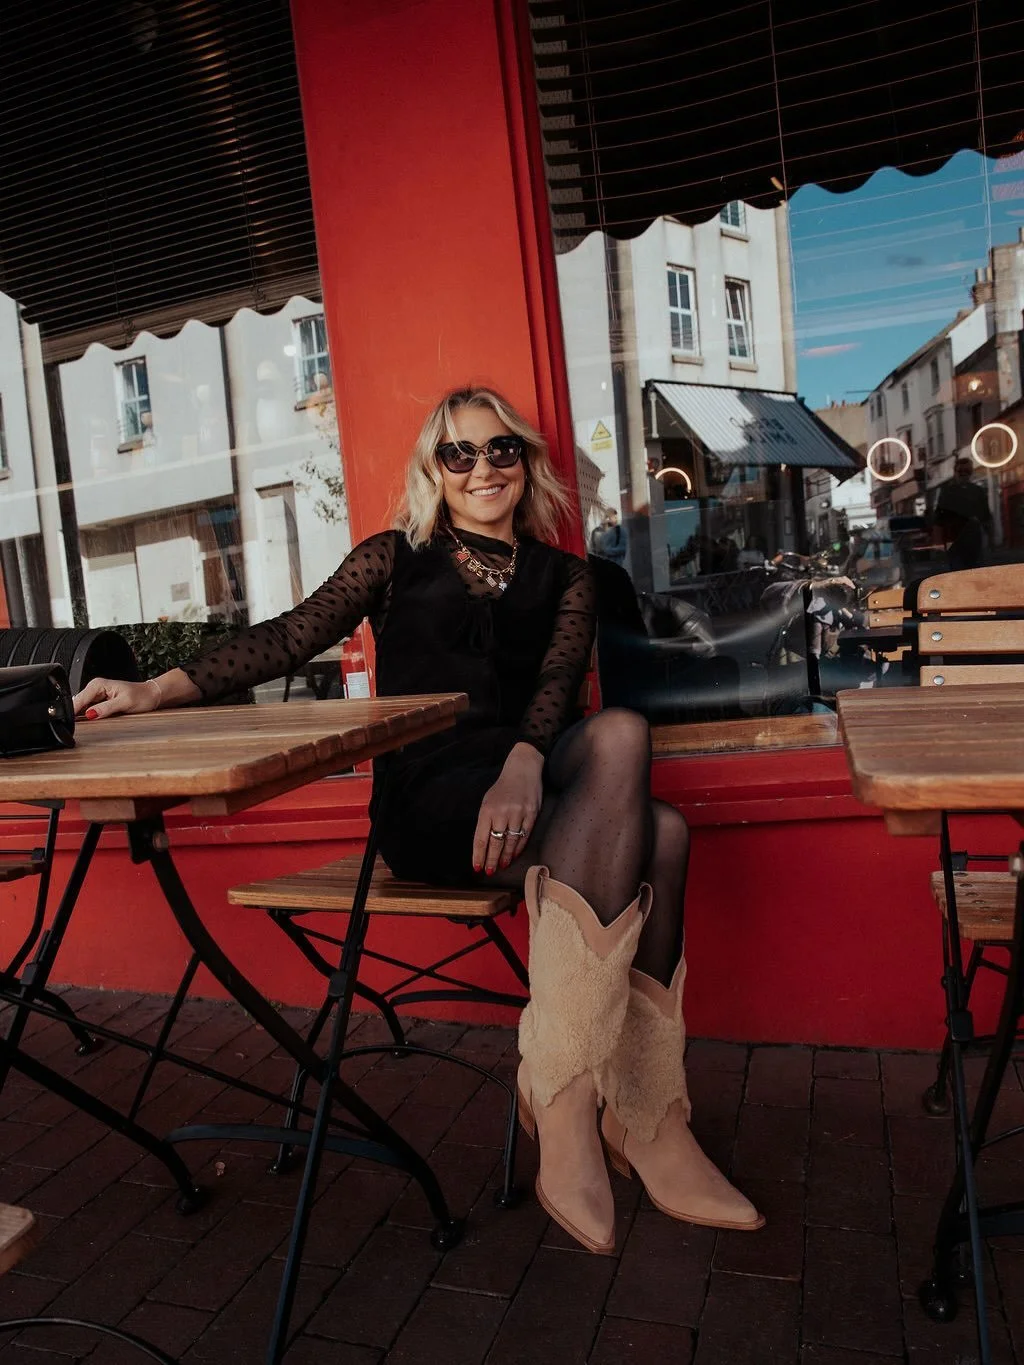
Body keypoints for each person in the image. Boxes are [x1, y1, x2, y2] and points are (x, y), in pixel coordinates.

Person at [74, 385, 762, 1253]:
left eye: (501, 449)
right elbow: (287, 637)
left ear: (527, 462)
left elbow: (556, 687)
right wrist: (153, 689)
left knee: (639, 775)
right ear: (435, 469)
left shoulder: (566, 576)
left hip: (532, 784)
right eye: (460, 452)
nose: (483, 467)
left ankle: (633, 1106)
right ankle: (591, 1110)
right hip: (434, 800)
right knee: (655, 829)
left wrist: (521, 763)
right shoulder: (394, 559)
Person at [934, 457, 992, 570]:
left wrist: (990, 540)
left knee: (975, 575)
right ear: (955, 472)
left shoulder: (978, 491)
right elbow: (938, 521)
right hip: (955, 542)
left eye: (967, 471)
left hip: (974, 543)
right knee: (959, 574)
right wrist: (939, 545)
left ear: (971, 473)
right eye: (960, 471)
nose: (964, 474)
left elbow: (986, 518)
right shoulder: (947, 492)